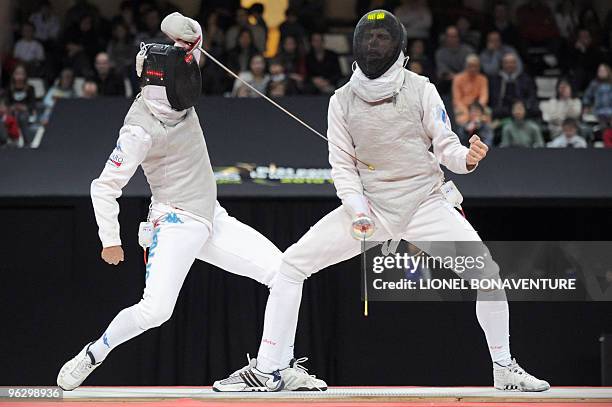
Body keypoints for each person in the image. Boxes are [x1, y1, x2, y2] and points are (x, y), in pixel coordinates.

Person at [215, 10, 549, 393]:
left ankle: (504, 367)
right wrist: (358, 211)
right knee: (291, 266)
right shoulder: (341, 101)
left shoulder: (421, 88)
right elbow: (342, 167)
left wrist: (466, 159)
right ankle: (270, 368)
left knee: (487, 275)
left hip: (425, 203)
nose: (374, 44)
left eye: (382, 38)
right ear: (357, 45)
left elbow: (445, 146)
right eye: (369, 38)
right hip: (370, 208)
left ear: (398, 47)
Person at [56, 12, 322, 393]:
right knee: (156, 312)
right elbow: (104, 186)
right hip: (175, 221)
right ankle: (94, 353)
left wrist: (181, 34)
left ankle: (274, 367)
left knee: (284, 273)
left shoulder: (176, 79)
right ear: (160, 88)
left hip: (212, 217)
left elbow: (185, 29)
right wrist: (110, 239)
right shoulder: (138, 130)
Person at [488, 53, 538, 120]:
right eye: (506, 63)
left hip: (521, 110)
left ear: (516, 64)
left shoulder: (526, 79)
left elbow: (532, 96)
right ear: (502, 64)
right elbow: (493, 98)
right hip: (501, 111)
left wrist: (523, 106)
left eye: (512, 62)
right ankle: (474, 131)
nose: (509, 65)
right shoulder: (495, 80)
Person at [452, 54, 488, 126]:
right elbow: (457, 99)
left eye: (475, 66)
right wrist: (466, 111)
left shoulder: (483, 79)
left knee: (487, 116)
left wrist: (477, 110)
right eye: (470, 66)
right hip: (462, 107)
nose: (473, 68)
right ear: (466, 66)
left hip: (477, 106)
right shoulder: (457, 78)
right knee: (461, 118)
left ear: (479, 67)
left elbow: (484, 97)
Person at [582, 63, 612, 130]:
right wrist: (586, 106)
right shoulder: (594, 84)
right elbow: (587, 96)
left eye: (603, 71)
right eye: (599, 71)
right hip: (598, 111)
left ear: (608, 72)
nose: (601, 73)